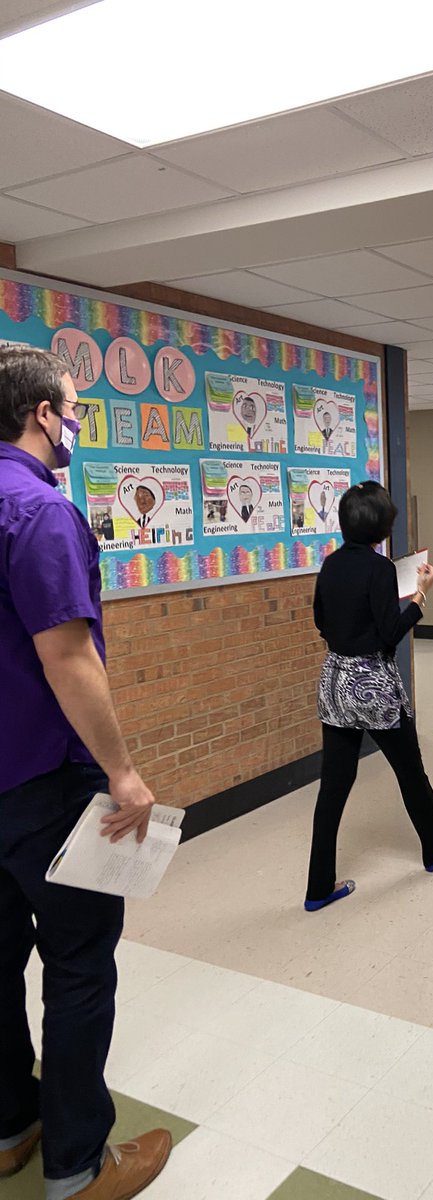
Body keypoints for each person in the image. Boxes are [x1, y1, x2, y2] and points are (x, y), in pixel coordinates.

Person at [0, 347, 171, 1197]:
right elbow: (70, 660)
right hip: (43, 784)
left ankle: (9, 1124)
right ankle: (76, 1166)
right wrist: (124, 772)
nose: (77, 424)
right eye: (75, 409)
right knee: (77, 965)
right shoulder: (39, 512)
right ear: (42, 414)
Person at [305, 481, 433, 911]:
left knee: (334, 786)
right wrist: (420, 596)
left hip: (335, 684)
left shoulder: (329, 566)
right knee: (410, 771)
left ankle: (318, 886)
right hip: (375, 688)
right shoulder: (380, 570)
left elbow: (322, 622)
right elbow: (390, 634)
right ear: (382, 529)